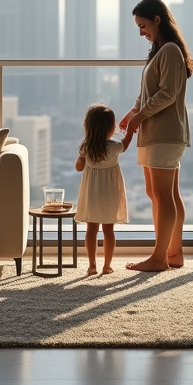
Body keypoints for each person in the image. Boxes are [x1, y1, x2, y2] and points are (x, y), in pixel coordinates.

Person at [119, 0, 193, 272]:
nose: (141, 32)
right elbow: (150, 92)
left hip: (166, 131)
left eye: (143, 25)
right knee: (161, 192)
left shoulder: (171, 50)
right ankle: (173, 253)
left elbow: (168, 94)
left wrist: (140, 115)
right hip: (155, 131)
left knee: (163, 194)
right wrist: (132, 112)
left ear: (157, 20)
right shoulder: (160, 51)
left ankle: (160, 257)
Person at [75, 104, 131, 275]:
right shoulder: (114, 147)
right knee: (108, 231)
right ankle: (107, 266)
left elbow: (78, 168)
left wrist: (82, 158)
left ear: (89, 126)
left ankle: (92, 265)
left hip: (92, 194)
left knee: (91, 231)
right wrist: (130, 130)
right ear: (111, 127)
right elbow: (125, 143)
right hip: (110, 195)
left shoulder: (87, 148)